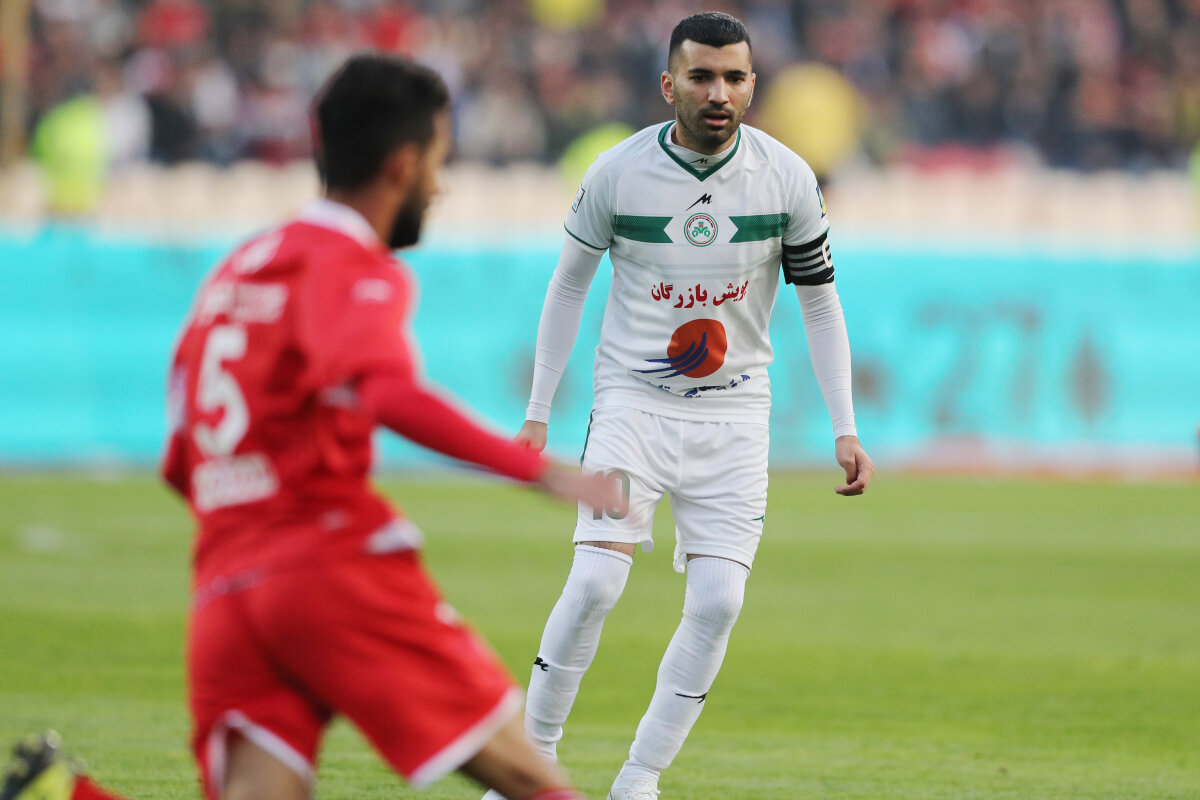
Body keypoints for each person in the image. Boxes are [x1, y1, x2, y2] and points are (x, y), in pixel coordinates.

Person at [0, 54, 622, 800]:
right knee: (530, 778)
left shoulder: (238, 270)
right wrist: (541, 470)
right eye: (438, 162)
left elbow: (179, 457)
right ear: (402, 165)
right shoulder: (350, 265)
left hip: (227, 584)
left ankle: (62, 795)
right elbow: (384, 390)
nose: (440, 185)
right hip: (331, 564)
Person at [482, 12, 874, 800]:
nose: (718, 92)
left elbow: (820, 303)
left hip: (736, 416)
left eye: (734, 77)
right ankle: (531, 767)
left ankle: (639, 778)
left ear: (752, 86)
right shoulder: (618, 173)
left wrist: (845, 427)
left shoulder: (788, 179)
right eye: (701, 76)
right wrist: (538, 409)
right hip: (633, 406)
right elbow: (568, 286)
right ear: (669, 85)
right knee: (595, 583)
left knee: (720, 602)